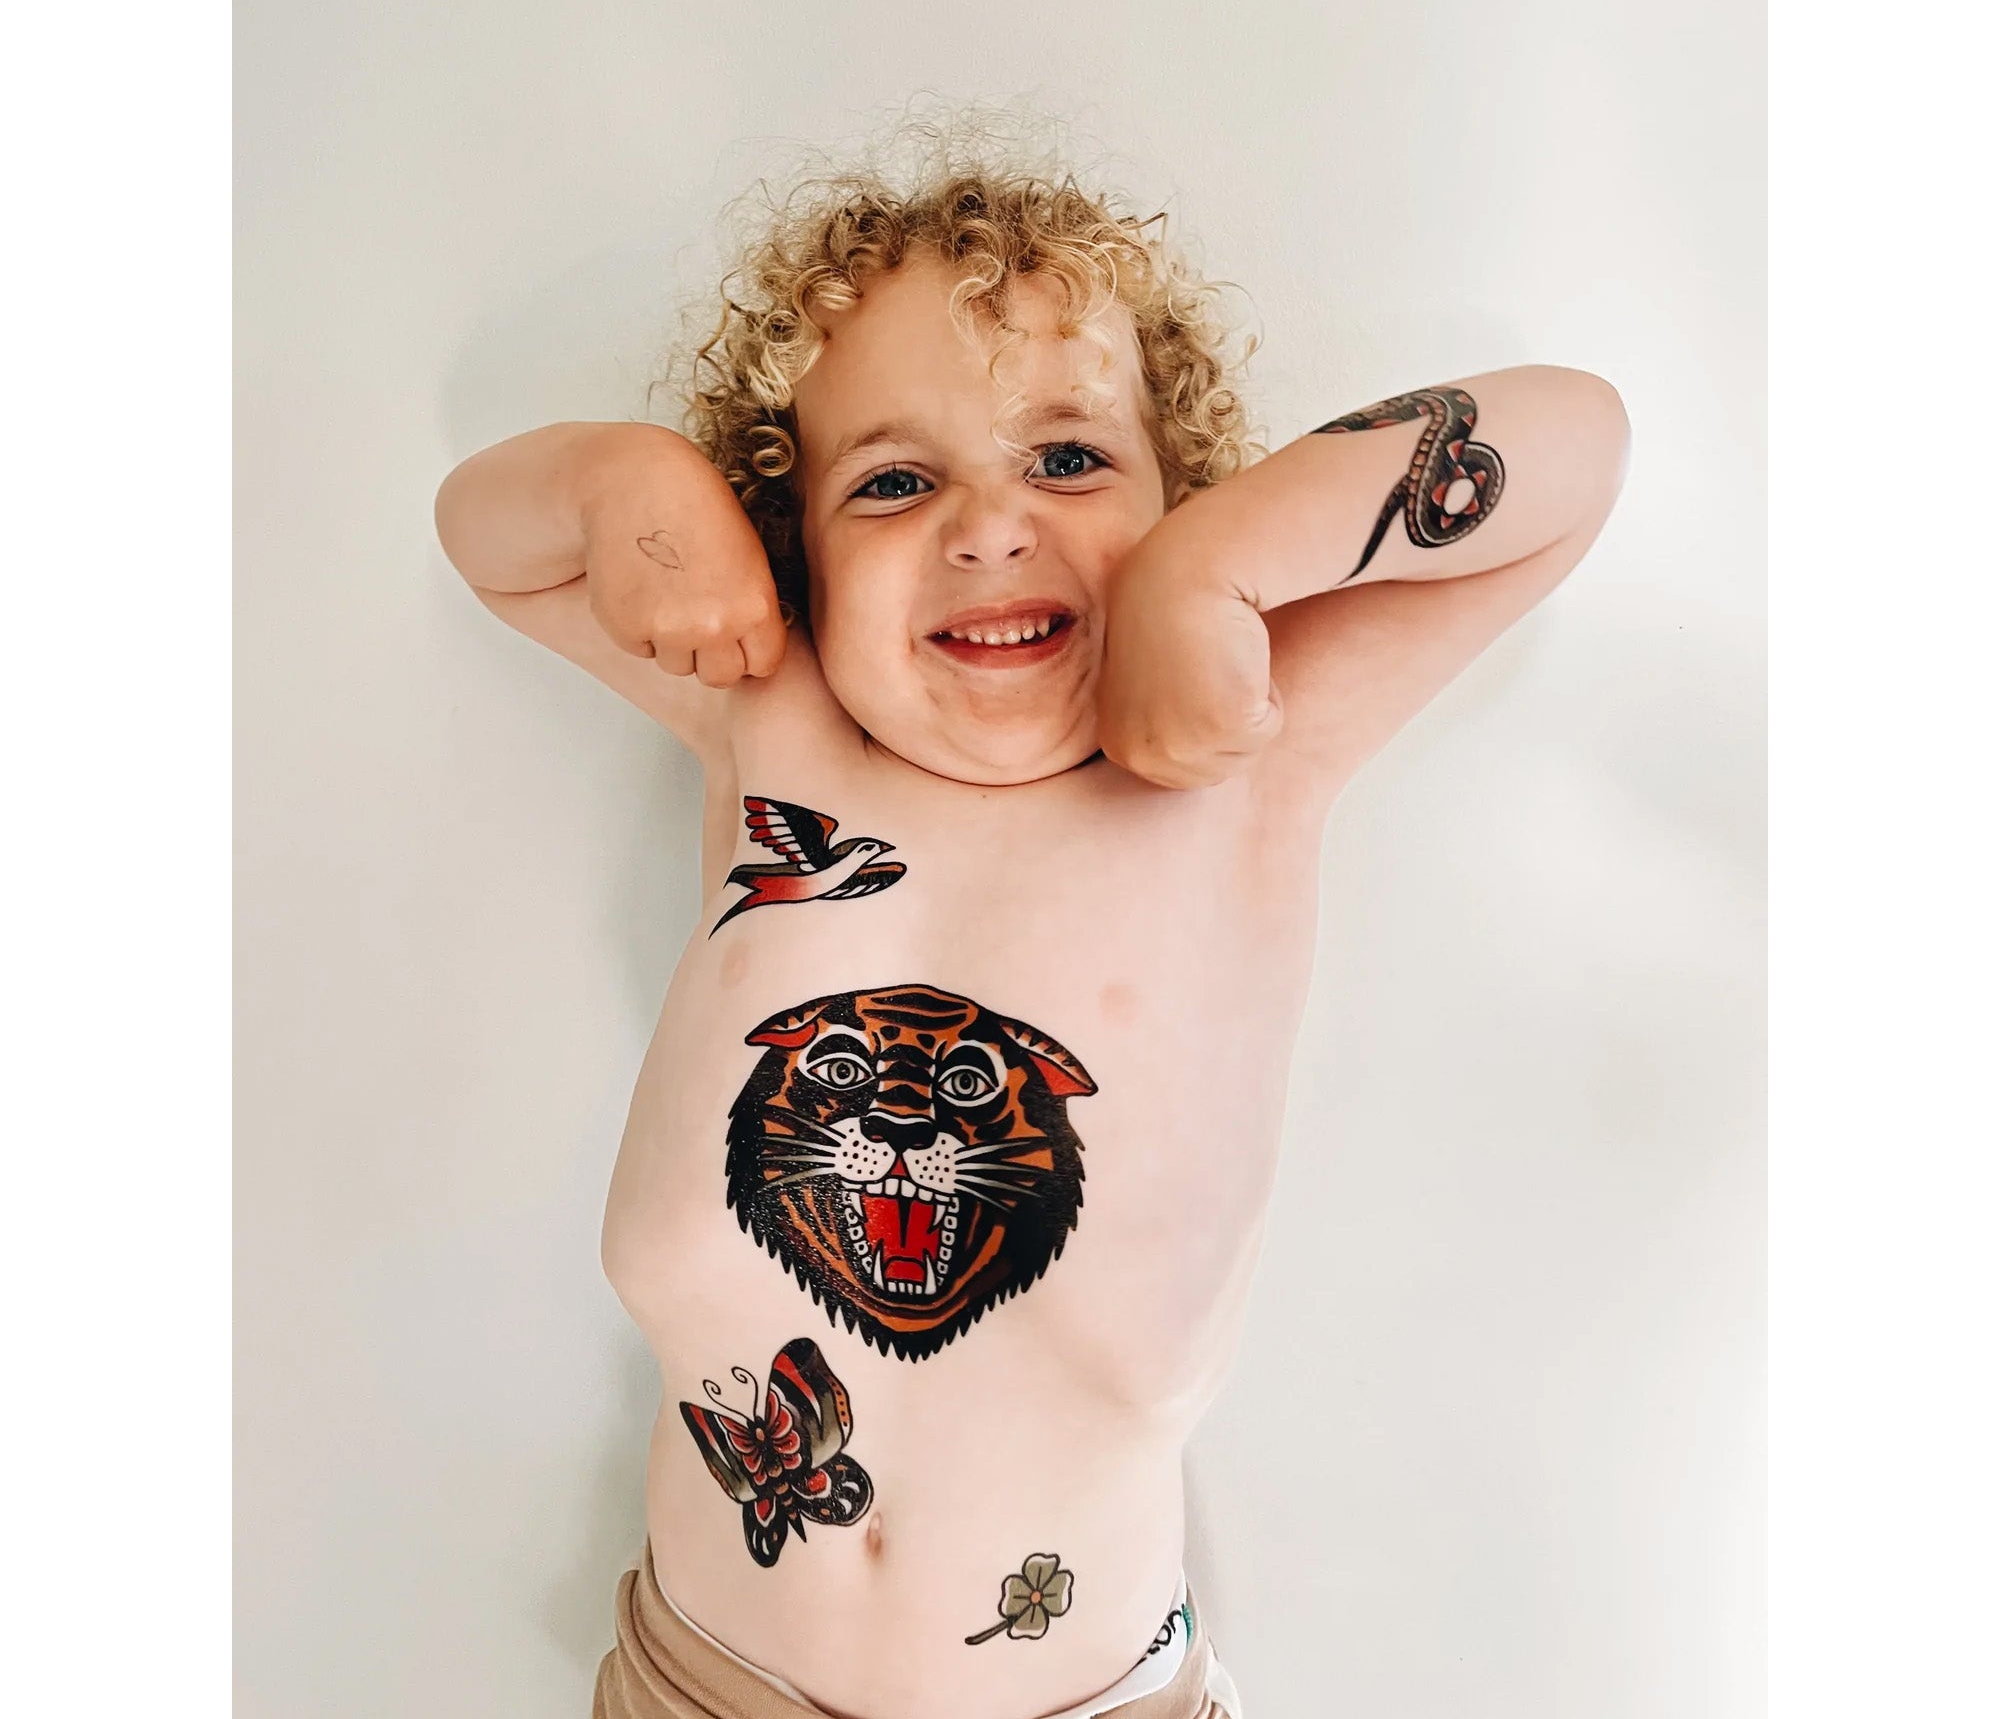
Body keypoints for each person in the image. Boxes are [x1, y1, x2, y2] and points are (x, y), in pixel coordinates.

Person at [434, 125, 1630, 1719]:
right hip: (699, 1687)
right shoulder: (775, 731)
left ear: (1177, 494)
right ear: (794, 553)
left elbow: (1576, 444)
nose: (989, 525)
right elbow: (487, 537)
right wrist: (634, 488)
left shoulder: (1238, 766)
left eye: (1070, 459)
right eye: (894, 479)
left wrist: (1218, 576)